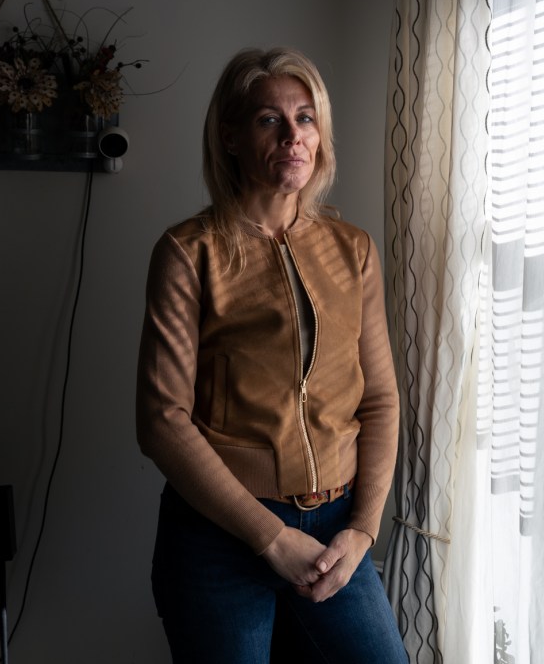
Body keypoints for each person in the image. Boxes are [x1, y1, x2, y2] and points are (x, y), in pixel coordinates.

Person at [136, 47, 408, 663]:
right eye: (269, 120)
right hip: (218, 537)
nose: (293, 136)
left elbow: (382, 398)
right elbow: (161, 421)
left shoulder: (353, 250)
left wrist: (363, 529)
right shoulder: (188, 254)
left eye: (306, 118)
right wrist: (270, 538)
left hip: (337, 530)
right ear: (230, 136)